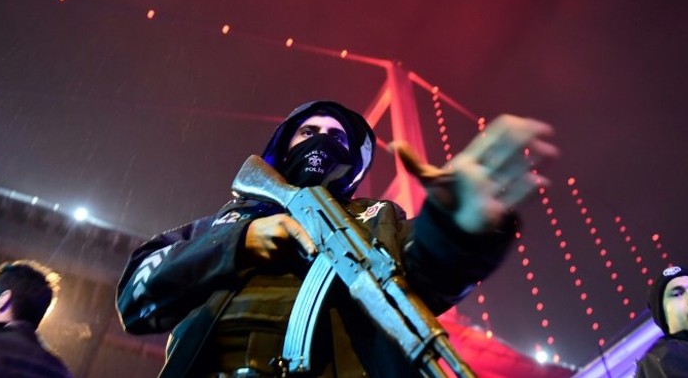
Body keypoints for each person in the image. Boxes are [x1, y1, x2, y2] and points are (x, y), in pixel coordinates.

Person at [116, 100, 558, 377]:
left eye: (336, 137)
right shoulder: (216, 227)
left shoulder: (376, 218)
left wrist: (458, 224)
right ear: (282, 146)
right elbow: (136, 296)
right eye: (308, 132)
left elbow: (424, 275)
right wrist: (241, 240)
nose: (322, 142)